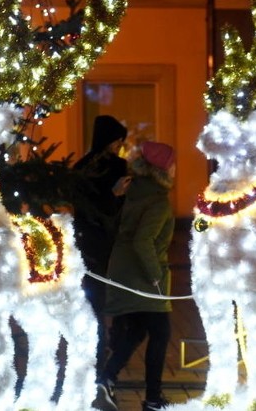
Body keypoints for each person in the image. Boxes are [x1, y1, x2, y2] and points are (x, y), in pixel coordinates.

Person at [94, 141, 176, 411]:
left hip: (125, 270)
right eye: (172, 163)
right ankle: (153, 398)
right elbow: (144, 241)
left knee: (139, 330)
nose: (176, 168)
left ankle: (107, 378)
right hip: (143, 276)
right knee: (161, 332)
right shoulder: (158, 200)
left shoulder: (135, 191)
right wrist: (155, 277)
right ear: (162, 169)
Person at [73, 115, 131, 371]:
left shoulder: (80, 166)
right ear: (112, 141)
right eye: (119, 141)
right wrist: (115, 195)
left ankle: (88, 354)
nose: (120, 146)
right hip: (108, 242)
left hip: (82, 240)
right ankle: (101, 360)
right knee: (105, 301)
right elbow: (112, 208)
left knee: (89, 300)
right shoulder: (117, 167)